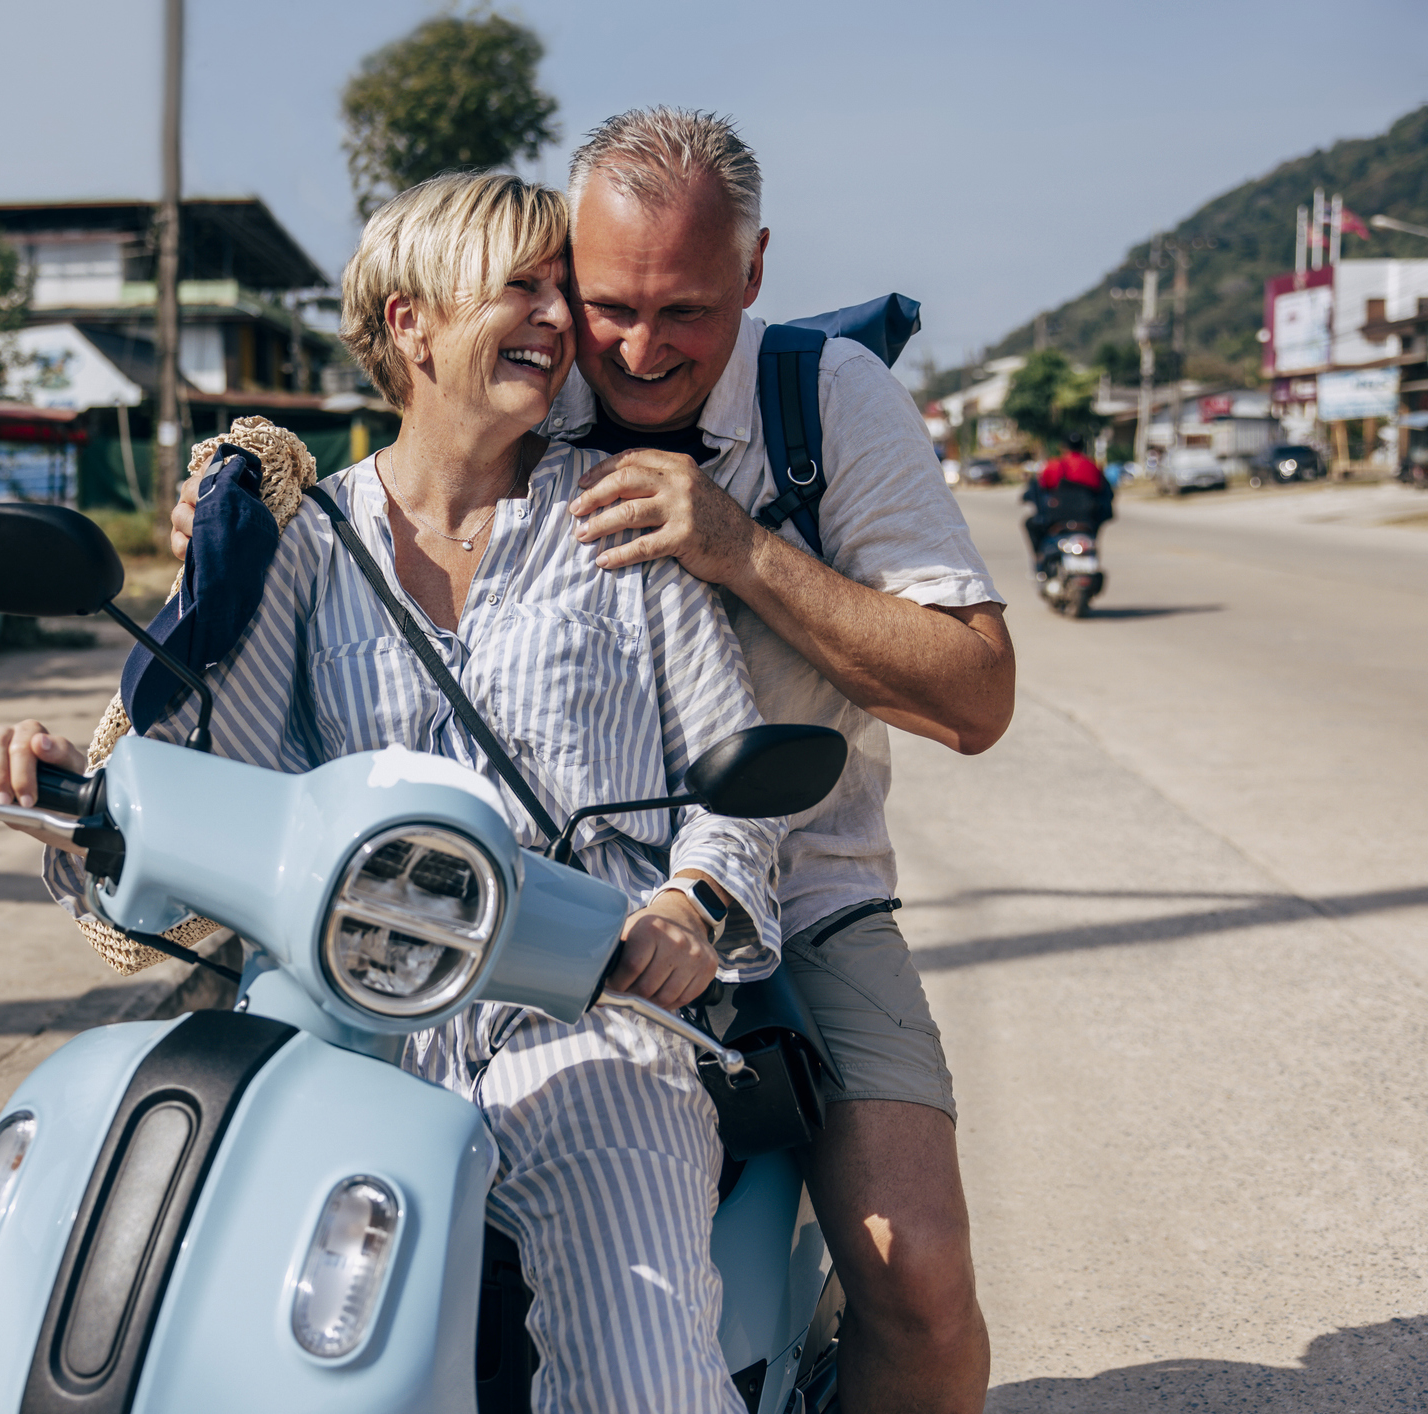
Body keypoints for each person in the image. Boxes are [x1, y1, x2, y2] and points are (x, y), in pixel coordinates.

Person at [174, 107, 1013, 1414]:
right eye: (594, 299)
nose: (624, 346)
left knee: (915, 1273)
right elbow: (396, 484)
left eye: (684, 310)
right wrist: (238, 510)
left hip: (795, 885)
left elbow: (975, 697)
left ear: (753, 269)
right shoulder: (519, 389)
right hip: (436, 946)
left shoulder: (820, 403)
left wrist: (738, 547)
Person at [0, 172, 783, 1413]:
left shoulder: (620, 520)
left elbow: (737, 787)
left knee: (639, 1378)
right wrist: (73, 781)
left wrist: (688, 909)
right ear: (410, 324)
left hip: (584, 1023)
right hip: (342, 1026)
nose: (558, 317)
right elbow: (223, 782)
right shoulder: (307, 540)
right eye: (520, 286)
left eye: (561, 287)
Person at [1025, 434, 1113, 565]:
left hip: (1058, 518)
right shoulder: (1093, 467)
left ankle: (1040, 558)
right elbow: (1105, 493)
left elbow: (1040, 490)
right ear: (1083, 447)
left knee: (1031, 523)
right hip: (1088, 518)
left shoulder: (1054, 465)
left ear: (1063, 447)